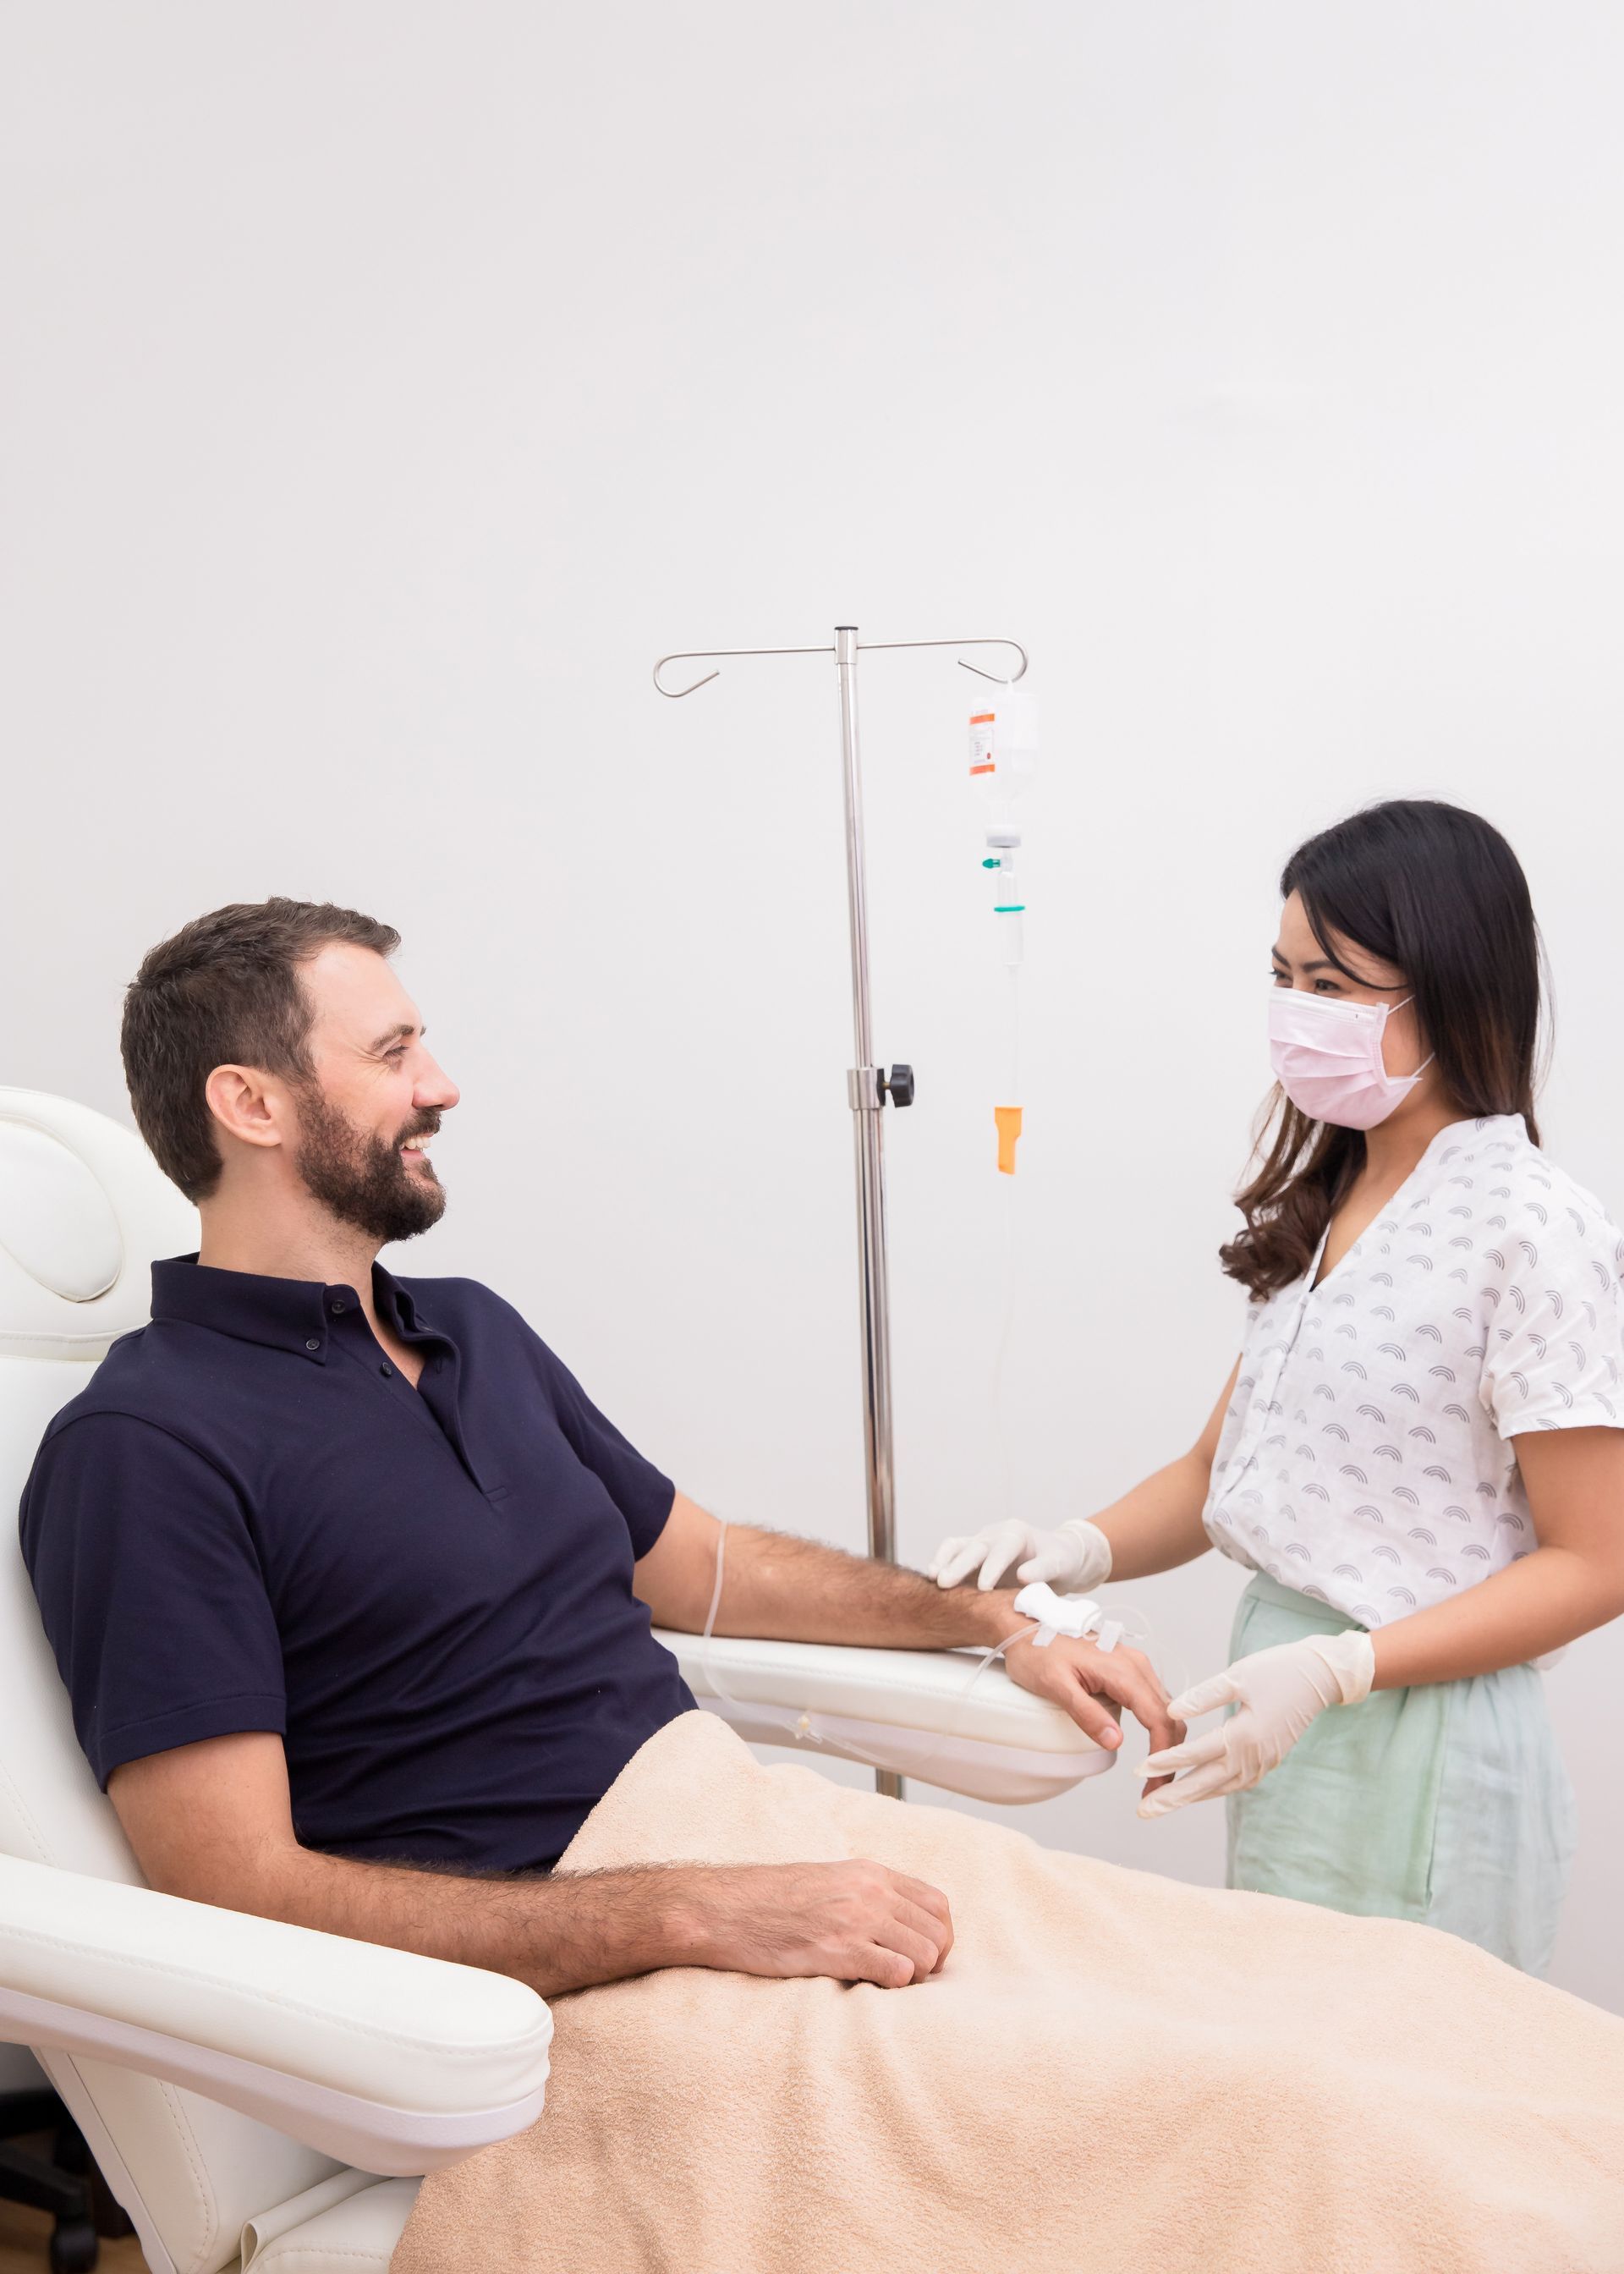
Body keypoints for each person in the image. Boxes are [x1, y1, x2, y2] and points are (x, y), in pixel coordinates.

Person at [17, 896, 1181, 2001]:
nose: (443, 1087)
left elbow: (705, 1569)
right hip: (581, 1982)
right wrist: (689, 1915)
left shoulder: (470, 1328)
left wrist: (996, 1624)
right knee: (1224, 2108)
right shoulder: (146, 1448)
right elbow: (236, 1892)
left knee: (1227, 1984)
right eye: (392, 1054)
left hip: (740, 1846)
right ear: (252, 1106)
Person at [932, 799, 1624, 1975]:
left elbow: (1599, 1559)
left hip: (1419, 1728)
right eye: (1283, 976)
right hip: (1289, 1705)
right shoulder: (1330, 1208)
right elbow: (1218, 1474)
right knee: (1293, 2084)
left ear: (1450, 989)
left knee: (1403, 2106)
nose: (1297, 1014)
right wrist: (1071, 1547)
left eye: (1336, 985)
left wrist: (1345, 1665)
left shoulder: (1530, 1227)